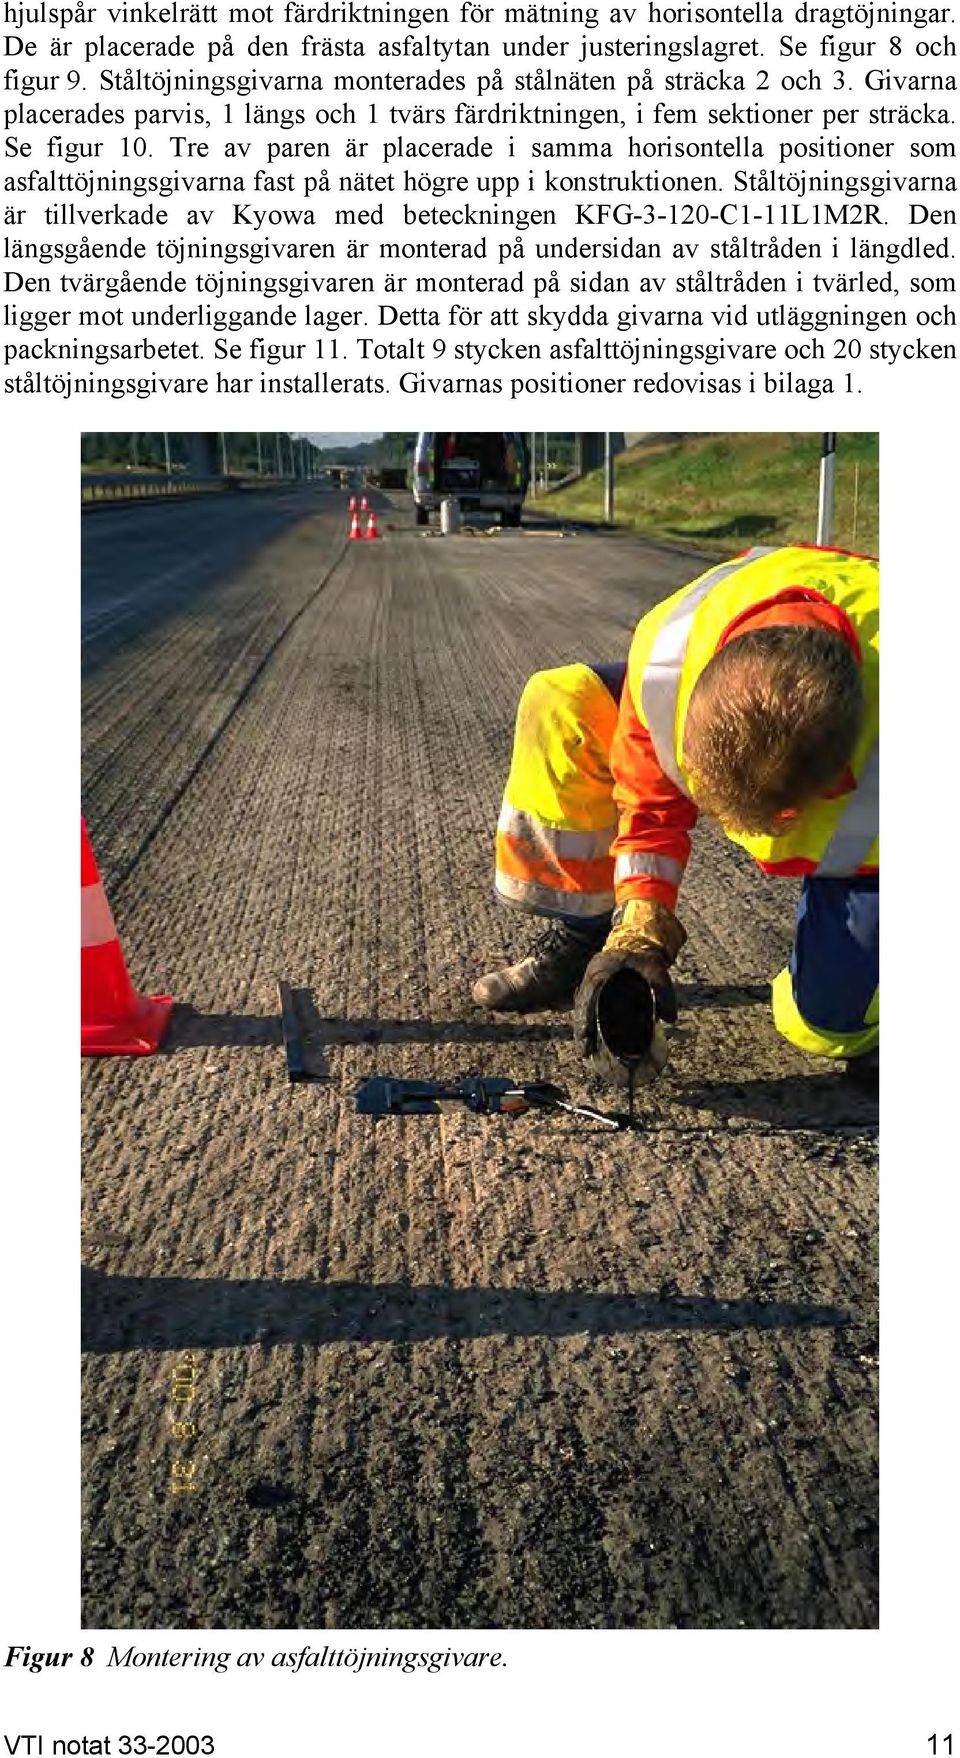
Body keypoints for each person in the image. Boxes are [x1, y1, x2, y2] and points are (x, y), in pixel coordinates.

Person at [472, 543, 879, 1078]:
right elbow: (649, 804)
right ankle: (584, 933)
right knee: (563, 701)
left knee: (827, 1027)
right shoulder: (668, 662)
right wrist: (639, 924)